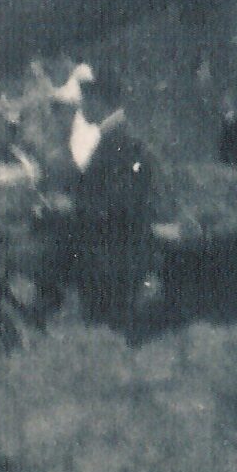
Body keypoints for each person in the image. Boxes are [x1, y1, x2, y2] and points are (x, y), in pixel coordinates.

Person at [67, 69, 155, 333]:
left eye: (86, 100)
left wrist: (73, 207)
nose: (81, 107)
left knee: (107, 330)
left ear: (100, 102)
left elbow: (117, 202)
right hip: (113, 251)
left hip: (112, 255)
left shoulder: (119, 141)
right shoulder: (114, 137)